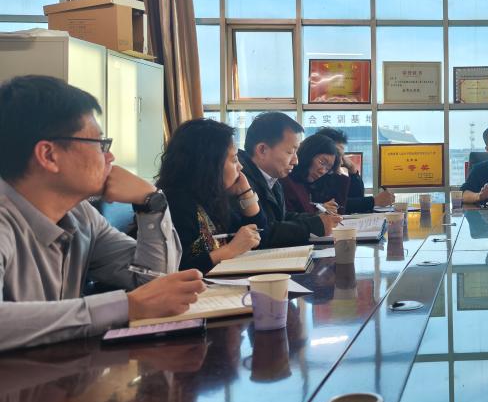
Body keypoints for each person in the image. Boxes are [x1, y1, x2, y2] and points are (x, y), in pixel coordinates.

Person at [0, 75, 203, 352]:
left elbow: (156, 284)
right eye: (99, 144)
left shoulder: (81, 216)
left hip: (60, 373)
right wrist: (125, 307)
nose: (110, 157)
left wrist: (151, 204)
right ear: (48, 155)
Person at [156, 118, 267, 274]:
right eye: (234, 159)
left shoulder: (210, 197)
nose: (240, 166)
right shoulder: (175, 203)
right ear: (210, 163)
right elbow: (178, 267)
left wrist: (246, 193)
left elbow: (258, 237)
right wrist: (230, 250)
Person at [238, 112, 340, 247]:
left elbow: (282, 217)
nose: (296, 160)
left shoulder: (273, 179)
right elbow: (262, 232)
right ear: (262, 150)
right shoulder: (241, 181)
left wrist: (318, 219)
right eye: (290, 152)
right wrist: (313, 226)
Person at [311, 127, 394, 213]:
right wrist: (373, 201)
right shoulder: (315, 174)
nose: (340, 160)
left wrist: (353, 171)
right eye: (337, 154)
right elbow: (338, 205)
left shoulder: (331, 174)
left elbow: (355, 197)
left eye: (341, 155)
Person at [281, 133, 346, 215]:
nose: (323, 171)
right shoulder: (286, 180)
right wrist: (317, 212)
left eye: (328, 169)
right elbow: (288, 217)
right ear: (308, 154)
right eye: (322, 162)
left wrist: (319, 210)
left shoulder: (305, 183)